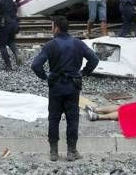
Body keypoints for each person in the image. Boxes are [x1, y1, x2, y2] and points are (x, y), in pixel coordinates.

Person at [31, 16, 99, 162]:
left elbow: (35, 65)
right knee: (72, 119)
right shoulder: (78, 44)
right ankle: (71, 151)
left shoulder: (50, 45)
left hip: (55, 87)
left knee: (54, 119)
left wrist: (45, 76)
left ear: (56, 28)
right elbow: (94, 59)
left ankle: (54, 152)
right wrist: (83, 73)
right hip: (73, 87)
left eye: (52, 26)